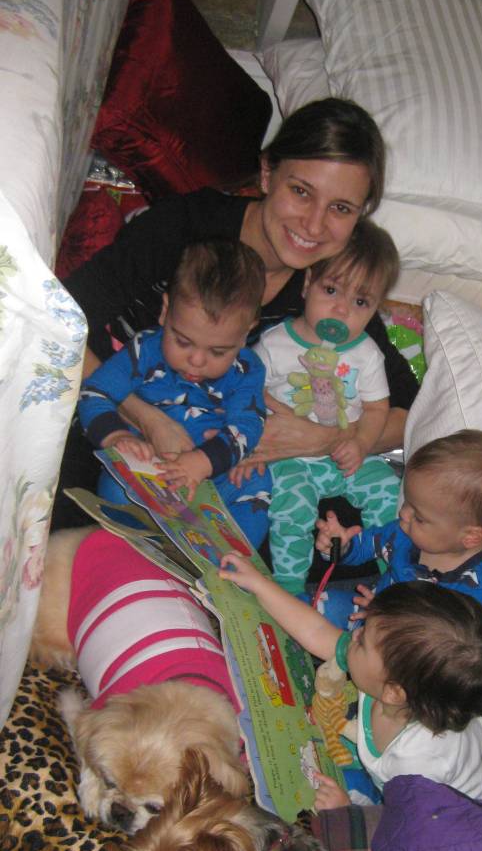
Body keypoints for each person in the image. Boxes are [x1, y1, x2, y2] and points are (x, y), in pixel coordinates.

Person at [54, 98, 419, 529]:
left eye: (340, 208)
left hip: (230, 471)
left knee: (347, 533)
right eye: (301, 192)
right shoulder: (187, 229)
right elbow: (57, 319)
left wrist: (327, 439)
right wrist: (144, 418)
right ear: (267, 174)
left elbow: (410, 411)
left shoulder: (332, 290)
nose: (314, 225)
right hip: (104, 424)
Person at [217, 551, 482, 808]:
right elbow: (318, 632)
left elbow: (409, 832)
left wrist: (347, 812)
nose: (354, 633)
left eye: (363, 640)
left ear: (392, 692)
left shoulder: (415, 766)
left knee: (336, 789)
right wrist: (260, 584)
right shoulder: (393, 681)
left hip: (459, 813)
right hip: (464, 747)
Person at [77, 240, 270, 547]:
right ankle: (140, 545)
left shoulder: (248, 369)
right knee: (117, 485)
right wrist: (117, 437)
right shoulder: (144, 349)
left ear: (246, 332)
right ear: (166, 310)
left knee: (256, 483)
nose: (197, 360)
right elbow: (94, 393)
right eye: (183, 342)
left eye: (218, 351)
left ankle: (231, 560)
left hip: (218, 476)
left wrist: (201, 463)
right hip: (152, 468)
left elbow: (247, 426)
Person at [245, 218, 401, 594]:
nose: (342, 310)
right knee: (290, 509)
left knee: (389, 490)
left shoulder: (367, 354)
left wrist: (361, 443)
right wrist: (266, 411)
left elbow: (377, 409)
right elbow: (245, 391)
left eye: (360, 302)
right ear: (307, 285)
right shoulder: (274, 344)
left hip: (347, 455)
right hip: (292, 460)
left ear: (375, 309)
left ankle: (394, 577)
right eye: (331, 290)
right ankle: (289, 587)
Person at [315, 429, 482, 625]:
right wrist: (342, 546)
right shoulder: (404, 533)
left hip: (406, 646)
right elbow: (368, 544)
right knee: (318, 605)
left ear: (471, 537)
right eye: (407, 502)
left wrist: (386, 621)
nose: (403, 514)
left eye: (419, 517)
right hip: (371, 609)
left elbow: (452, 641)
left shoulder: (476, 589)